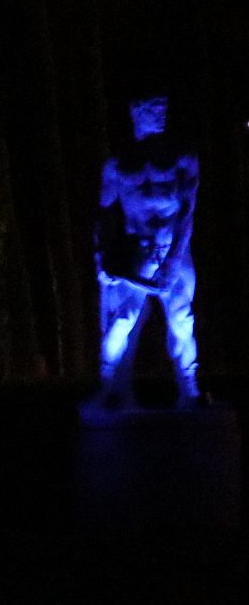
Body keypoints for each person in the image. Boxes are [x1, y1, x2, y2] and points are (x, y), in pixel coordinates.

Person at [94, 95, 203, 409]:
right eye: (152, 109)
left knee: (182, 320)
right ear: (136, 114)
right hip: (137, 249)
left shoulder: (183, 160)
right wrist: (102, 257)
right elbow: (104, 213)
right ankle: (111, 388)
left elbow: (187, 210)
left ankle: (189, 389)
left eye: (162, 108)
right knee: (122, 320)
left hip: (172, 247)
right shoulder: (117, 166)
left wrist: (173, 260)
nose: (160, 114)